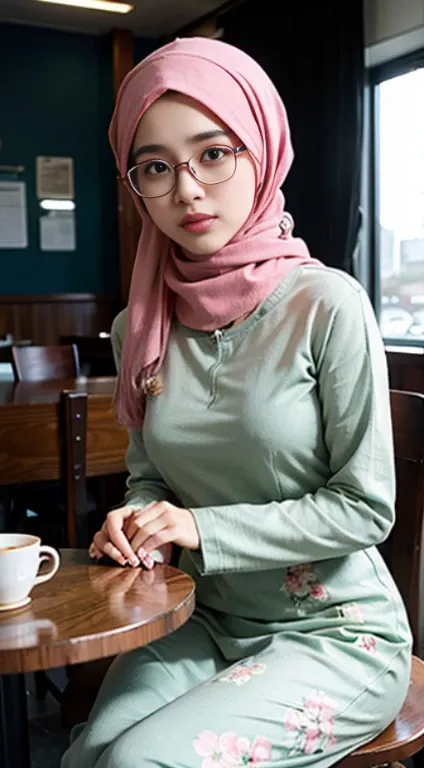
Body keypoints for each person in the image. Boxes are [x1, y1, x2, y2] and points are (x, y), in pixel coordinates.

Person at [62, 36, 411, 768]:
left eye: (213, 153)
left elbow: (366, 507)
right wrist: (138, 518)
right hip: (199, 613)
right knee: (89, 754)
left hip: (334, 633)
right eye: (155, 166)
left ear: (262, 150)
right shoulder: (140, 322)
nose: (187, 189)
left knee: (135, 763)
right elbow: (150, 475)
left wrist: (195, 525)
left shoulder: (326, 304)